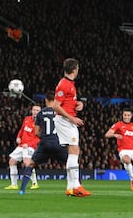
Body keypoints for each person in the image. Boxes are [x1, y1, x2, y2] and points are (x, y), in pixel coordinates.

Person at [52, 58, 92, 197]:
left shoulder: (69, 84)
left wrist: (77, 104)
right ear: (75, 69)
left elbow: (67, 102)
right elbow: (56, 106)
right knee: (74, 150)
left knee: (73, 151)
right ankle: (76, 186)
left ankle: (70, 187)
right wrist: (72, 118)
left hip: (66, 119)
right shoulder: (63, 84)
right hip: (65, 121)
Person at [18, 92, 68, 195]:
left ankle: (22, 190)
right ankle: (77, 187)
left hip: (45, 142)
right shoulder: (60, 112)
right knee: (71, 164)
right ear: (55, 100)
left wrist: (45, 137)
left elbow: (36, 132)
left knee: (31, 164)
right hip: (58, 142)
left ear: (46, 100)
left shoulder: (41, 113)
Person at [5, 105, 41, 190]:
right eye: (34, 110)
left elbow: (39, 138)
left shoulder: (40, 123)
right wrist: (18, 137)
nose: (35, 112)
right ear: (31, 111)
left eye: (37, 110)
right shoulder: (27, 119)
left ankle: (35, 183)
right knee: (12, 161)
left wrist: (29, 145)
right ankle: (14, 184)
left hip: (30, 146)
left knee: (27, 163)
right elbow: (22, 130)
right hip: (22, 145)